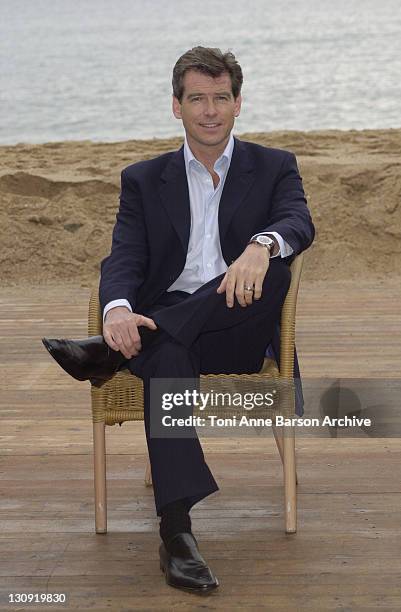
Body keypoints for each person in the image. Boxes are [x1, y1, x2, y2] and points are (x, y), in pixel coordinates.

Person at [43, 46, 315, 594]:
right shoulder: (144, 179)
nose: (210, 110)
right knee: (167, 352)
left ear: (239, 104)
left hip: (236, 333)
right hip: (170, 336)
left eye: (221, 98)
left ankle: (108, 352)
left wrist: (262, 244)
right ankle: (177, 533)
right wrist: (117, 308)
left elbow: (298, 221)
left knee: (275, 272)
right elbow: (124, 257)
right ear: (177, 106)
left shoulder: (275, 165)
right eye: (197, 98)